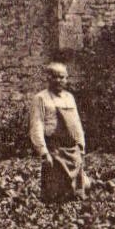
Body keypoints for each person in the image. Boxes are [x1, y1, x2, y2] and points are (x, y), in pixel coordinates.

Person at [28, 61, 88, 204]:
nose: (59, 80)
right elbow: (36, 125)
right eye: (55, 77)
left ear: (66, 78)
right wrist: (43, 152)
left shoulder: (69, 97)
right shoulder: (41, 98)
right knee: (55, 193)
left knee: (75, 193)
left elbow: (76, 123)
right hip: (54, 150)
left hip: (72, 150)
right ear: (48, 78)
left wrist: (81, 145)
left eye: (62, 77)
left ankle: (72, 219)